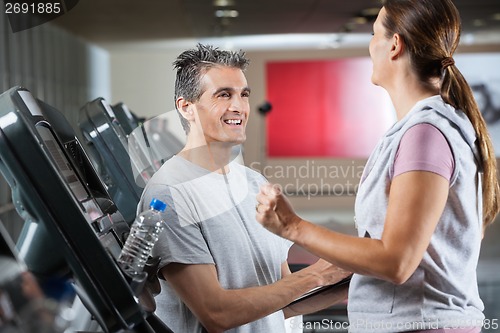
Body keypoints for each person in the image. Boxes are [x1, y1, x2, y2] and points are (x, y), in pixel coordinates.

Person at [256, 0, 500, 332]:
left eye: (374, 34)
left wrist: (293, 227)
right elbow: (405, 260)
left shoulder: (426, 133)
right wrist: (270, 307)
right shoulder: (426, 128)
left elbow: (396, 262)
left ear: (395, 45)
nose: (371, 45)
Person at [137, 43, 351, 333]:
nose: (238, 106)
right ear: (186, 107)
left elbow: (282, 300)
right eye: (224, 95)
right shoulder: (169, 194)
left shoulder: (254, 183)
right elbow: (216, 313)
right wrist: (317, 275)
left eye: (244, 94)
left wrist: (349, 279)